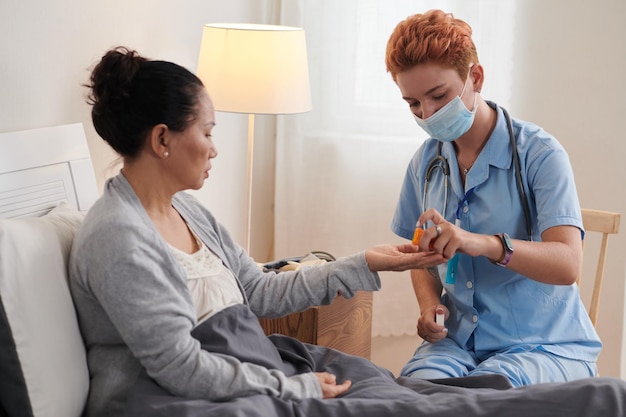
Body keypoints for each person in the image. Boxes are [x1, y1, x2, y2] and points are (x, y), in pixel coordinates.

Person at [69, 46, 448, 417]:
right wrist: (294, 387)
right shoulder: (118, 238)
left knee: (418, 398)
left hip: (242, 369)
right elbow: (179, 368)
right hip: (171, 398)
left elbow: (257, 289)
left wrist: (366, 263)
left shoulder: (185, 209)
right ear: (162, 139)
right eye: (207, 132)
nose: (214, 150)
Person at [385, 9, 600, 387]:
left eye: (438, 96)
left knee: (486, 395)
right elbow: (419, 255)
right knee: (410, 393)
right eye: (414, 104)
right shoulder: (427, 161)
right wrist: (428, 308)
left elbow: (568, 265)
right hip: (456, 345)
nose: (428, 114)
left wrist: (484, 244)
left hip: (540, 345)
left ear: (476, 78)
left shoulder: (540, 155)